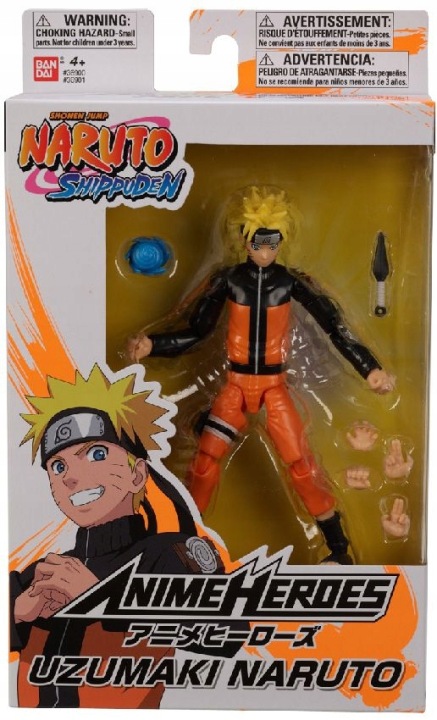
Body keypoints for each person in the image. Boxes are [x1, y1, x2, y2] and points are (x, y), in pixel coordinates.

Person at [127, 186, 395, 564]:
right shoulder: (228, 280)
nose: (266, 251)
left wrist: (369, 368)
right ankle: (182, 543)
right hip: (235, 387)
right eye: (259, 242)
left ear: (281, 241)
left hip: (273, 389)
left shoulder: (291, 282)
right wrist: (153, 345)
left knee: (302, 465)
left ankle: (338, 549)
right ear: (244, 240)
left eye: (272, 243)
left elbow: (334, 326)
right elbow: (197, 330)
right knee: (204, 461)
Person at [10, 364, 226, 708]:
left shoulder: (170, 553)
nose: (70, 477)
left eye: (96, 454)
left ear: (137, 474)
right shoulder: (43, 573)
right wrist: (17, 612)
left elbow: (224, 634)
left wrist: (102, 598)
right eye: (58, 466)